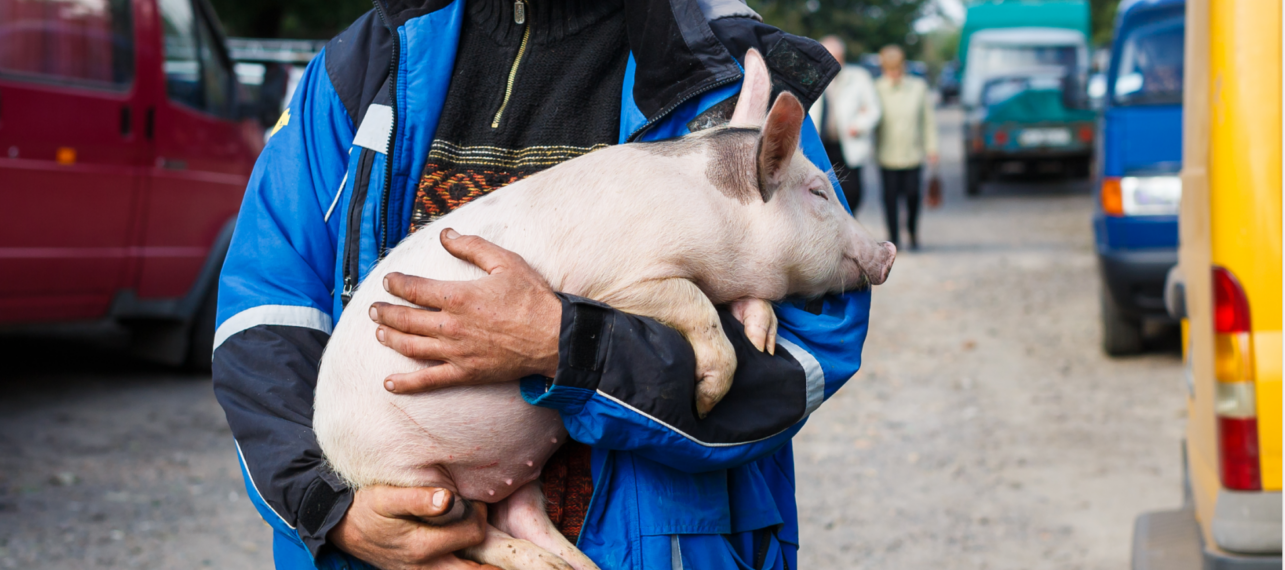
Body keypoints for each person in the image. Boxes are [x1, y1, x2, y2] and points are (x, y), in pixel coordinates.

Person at [210, 1, 872, 568]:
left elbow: (807, 353)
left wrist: (567, 346)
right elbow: (265, 315)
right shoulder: (364, 65)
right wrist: (335, 510)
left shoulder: (721, 71)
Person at [874, 44, 938, 250]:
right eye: (889, 70)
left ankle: (912, 230)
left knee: (913, 195)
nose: (894, 74)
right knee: (890, 200)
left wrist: (932, 148)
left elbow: (927, 121)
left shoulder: (918, 87)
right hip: (887, 155)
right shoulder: (876, 89)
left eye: (897, 69)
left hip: (912, 154)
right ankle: (894, 238)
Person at [807, 35, 880, 215]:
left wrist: (859, 124)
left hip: (848, 141)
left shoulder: (859, 77)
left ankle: (849, 223)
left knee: (853, 192)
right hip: (820, 145)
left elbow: (874, 109)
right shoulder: (812, 76)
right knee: (821, 191)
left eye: (836, 56)